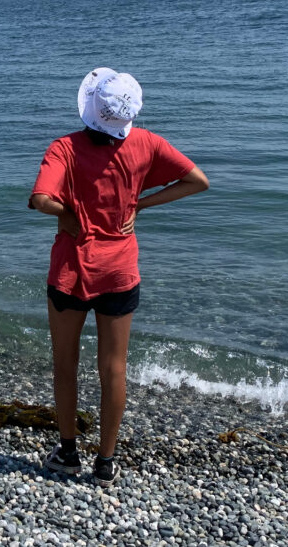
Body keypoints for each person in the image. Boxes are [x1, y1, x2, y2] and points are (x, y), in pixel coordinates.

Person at [30, 67, 209, 487]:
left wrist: (70, 213)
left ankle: (68, 452)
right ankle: (106, 461)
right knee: (114, 369)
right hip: (120, 270)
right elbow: (196, 181)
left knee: (65, 367)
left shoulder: (66, 148)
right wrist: (139, 206)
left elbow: (40, 199)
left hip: (71, 271)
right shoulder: (146, 143)